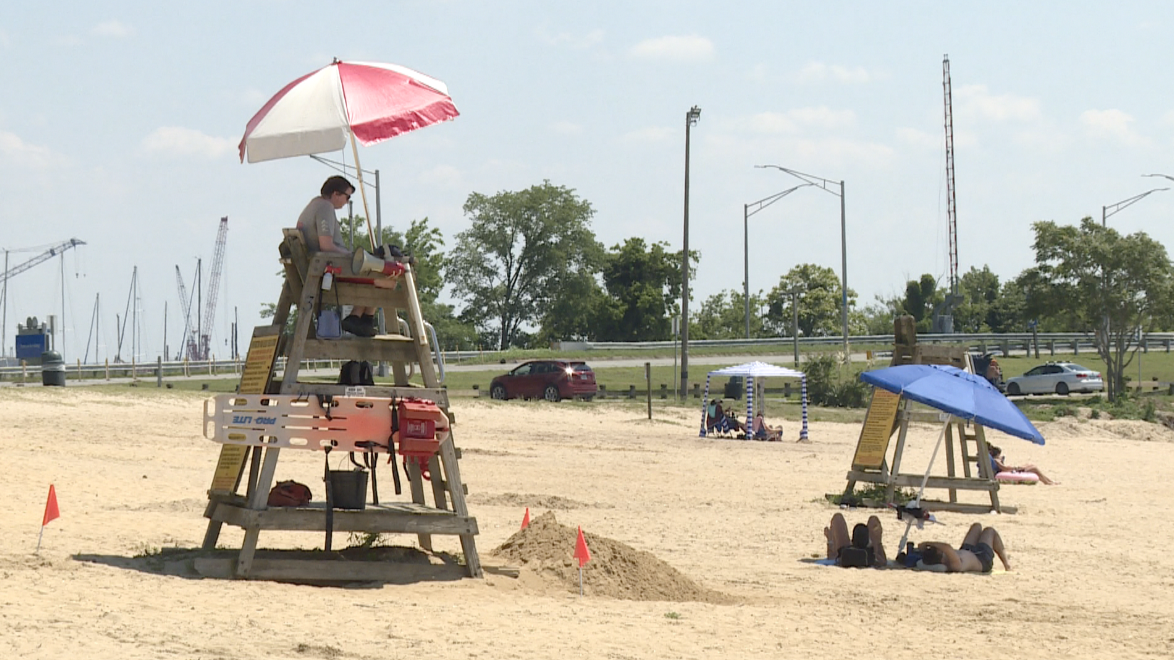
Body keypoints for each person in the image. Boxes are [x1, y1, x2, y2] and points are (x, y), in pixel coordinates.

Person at [297, 175, 377, 337]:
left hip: (318, 268)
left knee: (378, 278)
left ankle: (359, 320)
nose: (347, 202)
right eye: (347, 197)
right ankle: (361, 319)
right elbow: (326, 246)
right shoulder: (325, 207)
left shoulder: (313, 204)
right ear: (336, 194)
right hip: (330, 270)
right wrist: (352, 256)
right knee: (384, 280)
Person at [917, 523, 1011, 573]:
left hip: (967, 550)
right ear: (940, 558)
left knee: (976, 526)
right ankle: (1007, 565)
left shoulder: (944, 558)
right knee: (989, 531)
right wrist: (927, 543)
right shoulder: (954, 565)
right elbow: (947, 547)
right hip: (982, 558)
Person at [988, 444, 1057, 485]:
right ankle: (1047, 482)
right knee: (1034, 468)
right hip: (1009, 472)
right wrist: (1016, 468)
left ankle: (1049, 481)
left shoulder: (996, 460)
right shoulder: (996, 460)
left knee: (1030, 465)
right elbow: (1004, 468)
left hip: (1009, 471)